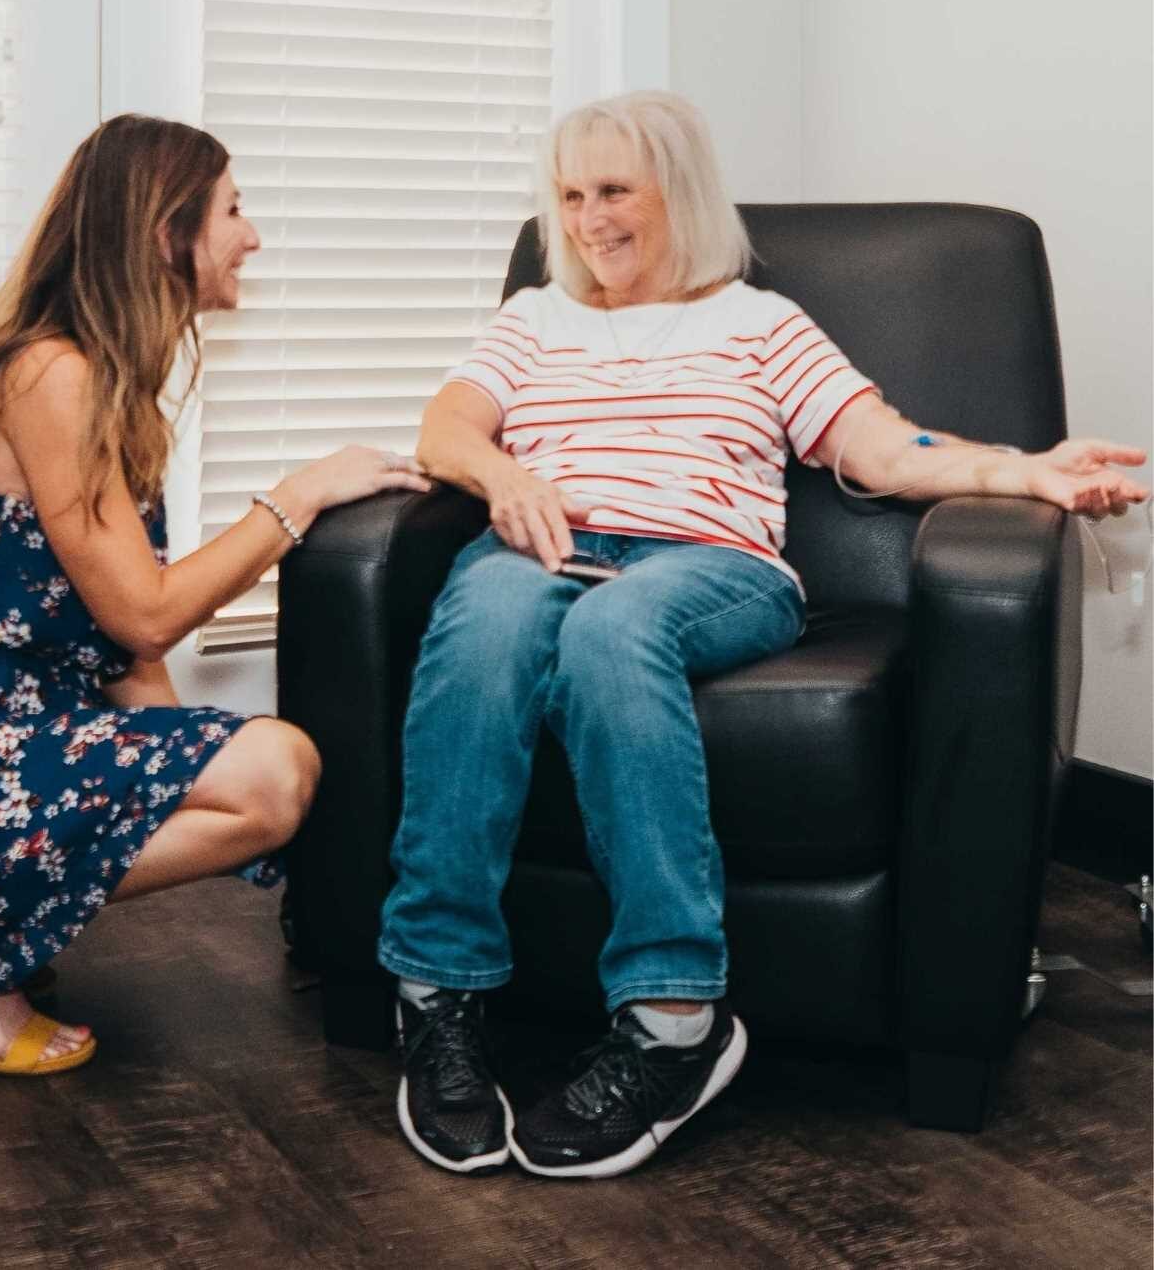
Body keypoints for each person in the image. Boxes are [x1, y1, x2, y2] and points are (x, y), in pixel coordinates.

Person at [379, 90, 1149, 1177]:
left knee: (612, 635)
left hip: (710, 568)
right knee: (484, 626)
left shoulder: (759, 322)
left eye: (613, 191)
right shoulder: (534, 318)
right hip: (544, 548)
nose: (589, 219)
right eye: (569, 195)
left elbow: (888, 451)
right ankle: (438, 994)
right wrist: (502, 476)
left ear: (676, 194)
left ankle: (673, 1025)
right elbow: (446, 425)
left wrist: (1027, 470)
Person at [0, 114, 428, 1074]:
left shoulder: (105, 382)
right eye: (232, 210)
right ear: (164, 233)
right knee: (274, 772)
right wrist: (296, 499)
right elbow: (145, 613)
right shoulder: (54, 373)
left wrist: (179, 762)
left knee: (262, 775)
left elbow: (120, 641)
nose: (250, 237)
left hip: (9, 736)